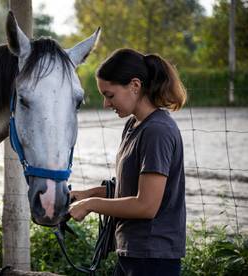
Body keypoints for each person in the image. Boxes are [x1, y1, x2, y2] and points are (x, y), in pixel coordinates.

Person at [69, 48, 187, 276]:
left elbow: (146, 205)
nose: (105, 104)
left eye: (110, 95)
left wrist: (90, 204)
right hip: (133, 253)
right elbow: (128, 189)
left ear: (135, 85)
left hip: (153, 259)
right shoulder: (134, 126)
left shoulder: (157, 131)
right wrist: (84, 195)